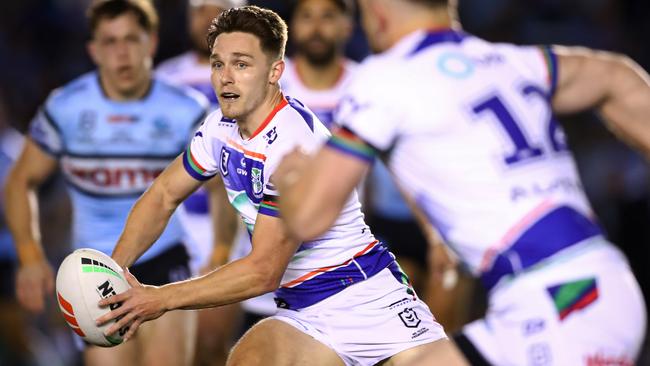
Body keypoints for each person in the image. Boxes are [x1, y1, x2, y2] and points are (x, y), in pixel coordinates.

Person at [273, 0, 649, 365]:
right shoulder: (511, 61)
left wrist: (291, 179)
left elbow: (308, 218)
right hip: (580, 288)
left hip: (563, 302)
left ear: (376, 12)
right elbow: (616, 76)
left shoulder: (387, 76)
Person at [96, 6, 466, 366]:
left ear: (275, 72)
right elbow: (163, 195)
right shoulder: (217, 129)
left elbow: (264, 270)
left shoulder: (293, 142)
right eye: (217, 63)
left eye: (241, 64)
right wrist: (113, 272)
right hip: (305, 313)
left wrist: (159, 299)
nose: (225, 77)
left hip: (369, 300)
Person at [4, 1, 209, 365]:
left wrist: (221, 249)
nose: (122, 53)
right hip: (92, 270)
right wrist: (30, 256)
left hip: (164, 262)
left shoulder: (186, 108)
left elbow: (219, 190)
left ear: (151, 43)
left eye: (132, 39)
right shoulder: (66, 108)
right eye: (110, 42)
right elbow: (21, 180)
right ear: (93, 50)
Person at [156, 2, 245, 365]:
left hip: (231, 220)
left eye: (219, 9)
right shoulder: (163, 77)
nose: (207, 19)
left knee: (210, 345)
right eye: (199, 10)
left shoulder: (261, 75)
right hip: (174, 225)